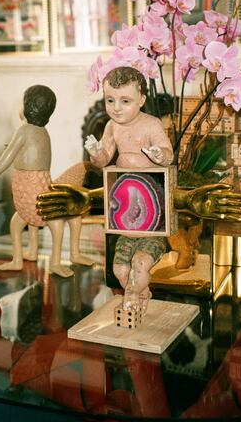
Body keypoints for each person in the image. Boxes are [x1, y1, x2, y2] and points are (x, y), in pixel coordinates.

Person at [0, 85, 92, 277]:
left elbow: (6, 159)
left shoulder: (24, 131)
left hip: (29, 192)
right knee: (50, 219)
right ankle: (63, 254)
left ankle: (29, 258)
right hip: (35, 187)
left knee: (23, 221)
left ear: (27, 106)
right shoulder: (41, 131)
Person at [84, 66, 174, 314]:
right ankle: (140, 294)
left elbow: (168, 155)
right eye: (110, 100)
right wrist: (95, 154)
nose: (116, 107)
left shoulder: (151, 124)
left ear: (142, 100)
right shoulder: (112, 126)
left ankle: (134, 297)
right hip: (124, 208)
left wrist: (160, 155)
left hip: (152, 208)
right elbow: (103, 160)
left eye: (125, 101)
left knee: (138, 265)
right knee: (120, 270)